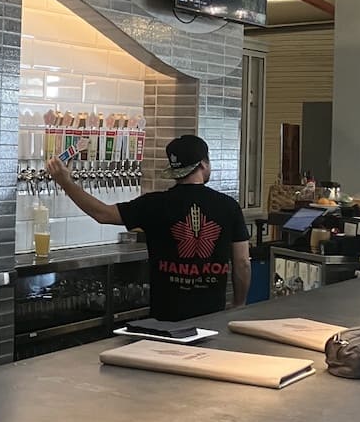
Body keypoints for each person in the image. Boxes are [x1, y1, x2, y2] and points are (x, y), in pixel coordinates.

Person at [47, 133, 251, 322]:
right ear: (204, 164)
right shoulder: (228, 206)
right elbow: (242, 263)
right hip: (212, 318)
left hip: (165, 320)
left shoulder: (154, 204)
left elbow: (102, 214)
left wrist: (66, 183)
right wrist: (239, 304)